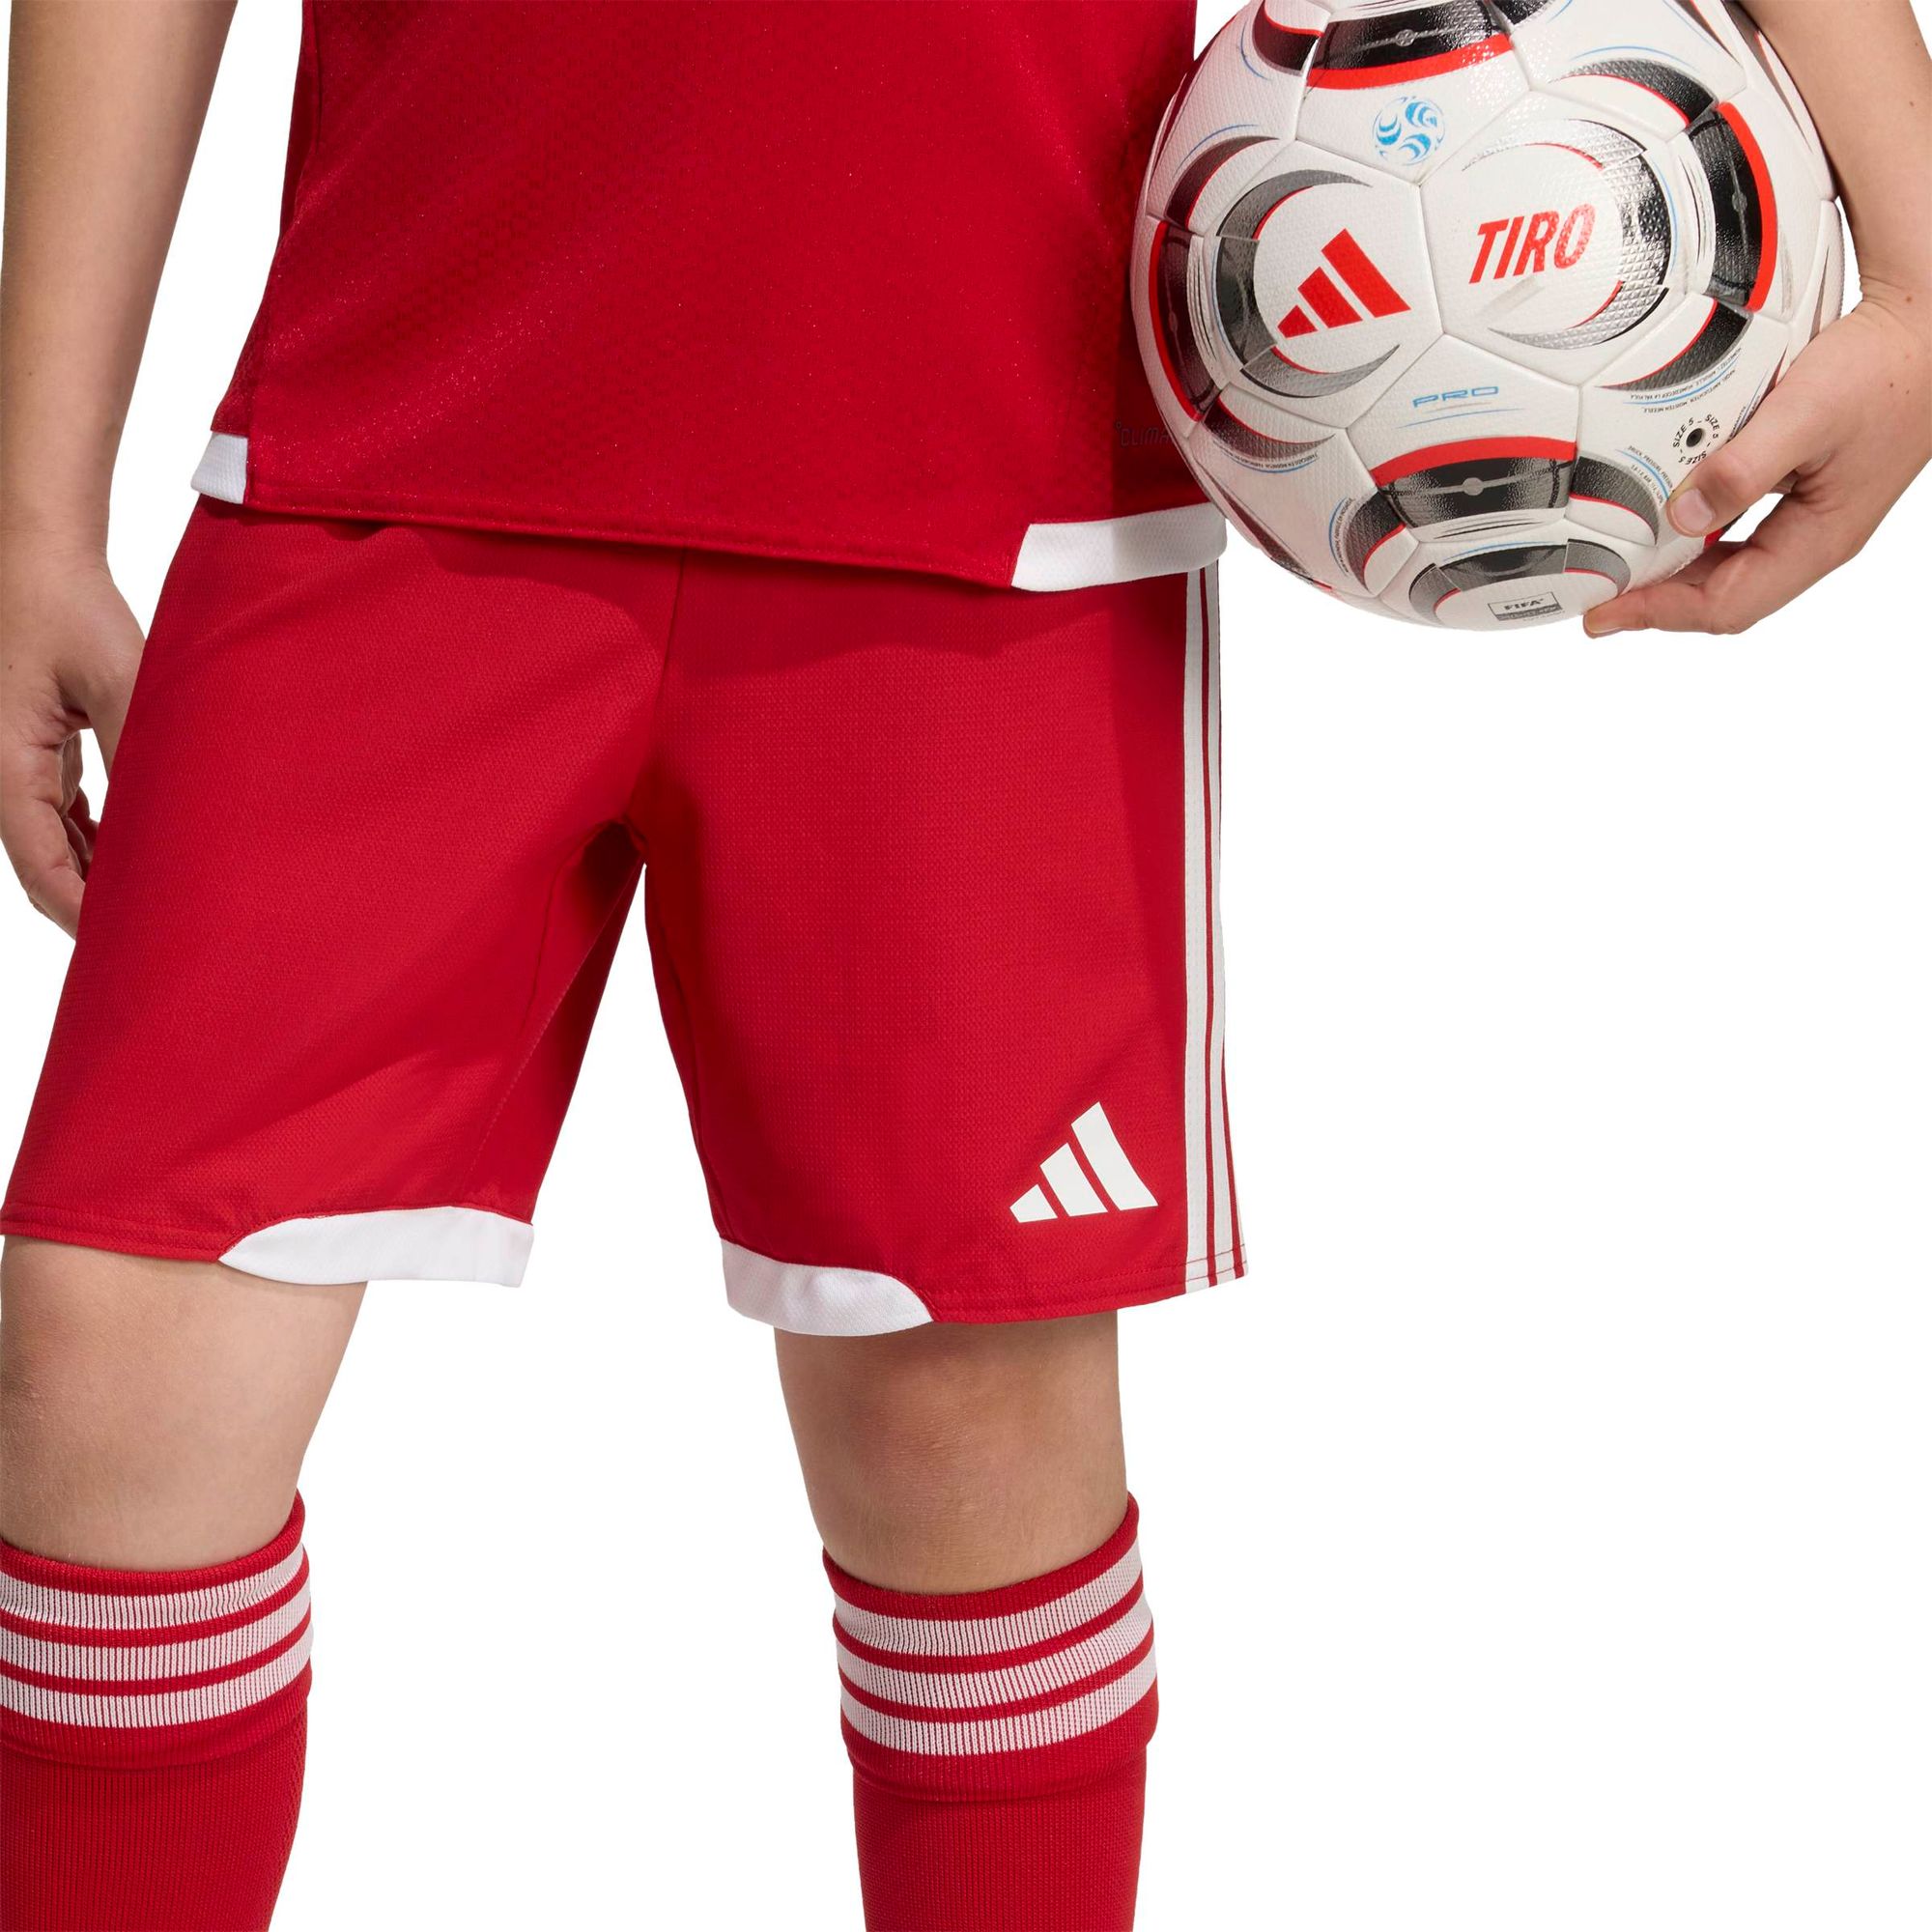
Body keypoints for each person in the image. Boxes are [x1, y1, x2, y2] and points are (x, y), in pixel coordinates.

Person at [0, 3, 1924, 1929]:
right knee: (101, 1363)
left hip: (988, 487)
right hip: (382, 445)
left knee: (963, 1429)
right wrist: (32, 513)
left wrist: (1917, 255)